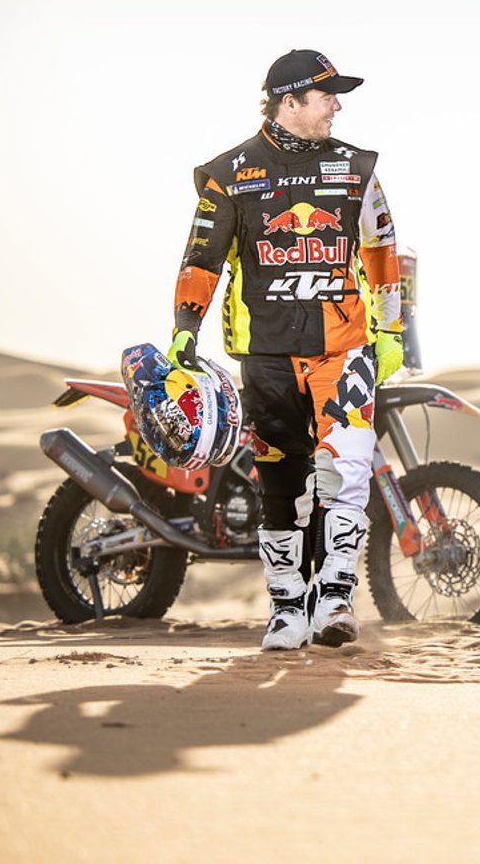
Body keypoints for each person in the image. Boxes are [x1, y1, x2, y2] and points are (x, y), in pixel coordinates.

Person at [171, 49, 404, 651]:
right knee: (281, 482)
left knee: (347, 472)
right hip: (266, 355)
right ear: (289, 101)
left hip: (344, 350)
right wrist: (184, 328)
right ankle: (284, 608)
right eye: (327, 96)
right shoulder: (228, 173)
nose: (337, 106)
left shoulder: (357, 168)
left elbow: (382, 250)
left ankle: (335, 599)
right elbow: (202, 258)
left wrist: (391, 331)